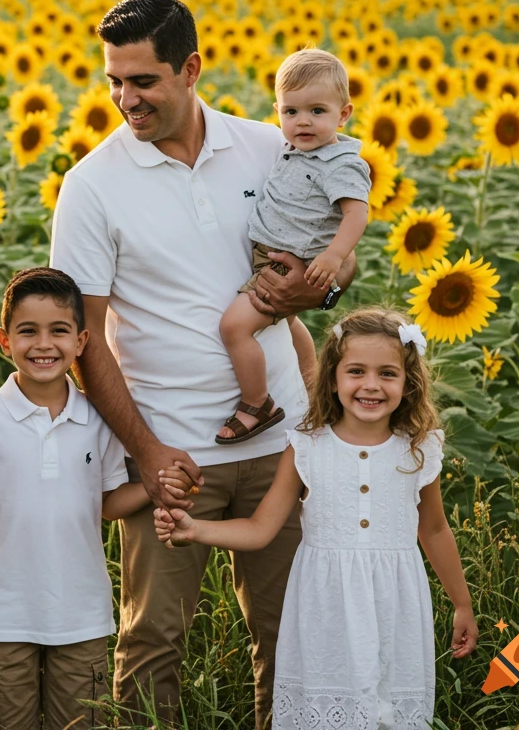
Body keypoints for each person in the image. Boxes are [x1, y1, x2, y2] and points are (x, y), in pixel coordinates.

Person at [50, 0, 357, 727]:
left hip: (284, 446)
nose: (126, 98)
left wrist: (316, 287)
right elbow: (82, 341)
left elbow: (333, 264)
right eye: (114, 81)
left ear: (190, 69)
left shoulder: (269, 145)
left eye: (143, 80)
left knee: (291, 640)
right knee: (153, 641)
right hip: (174, 448)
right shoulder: (91, 186)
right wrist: (147, 450)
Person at [155, 307, 478, 729]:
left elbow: (434, 529)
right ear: (333, 377)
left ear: (408, 381)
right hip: (324, 608)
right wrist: (195, 529)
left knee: (389, 711)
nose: (371, 386)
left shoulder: (418, 451)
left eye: (387, 374)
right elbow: (260, 527)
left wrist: (462, 603)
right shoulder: (307, 448)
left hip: (395, 605)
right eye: (357, 371)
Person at [0, 268, 160, 730]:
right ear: (5, 340)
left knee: (80, 724)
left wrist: (155, 485)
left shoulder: (96, 417)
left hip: (81, 613)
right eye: (28, 331)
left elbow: (108, 502)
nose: (43, 344)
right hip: (5, 613)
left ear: (82, 341)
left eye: (59, 331)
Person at [217, 48, 370, 445]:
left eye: (317, 111)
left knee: (234, 328)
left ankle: (256, 403)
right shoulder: (294, 147)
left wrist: (334, 257)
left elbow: (356, 214)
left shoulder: (339, 162)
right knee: (290, 324)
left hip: (285, 264)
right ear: (277, 111)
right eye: (291, 112)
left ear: (344, 113)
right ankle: (314, 385)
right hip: (274, 255)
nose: (303, 122)